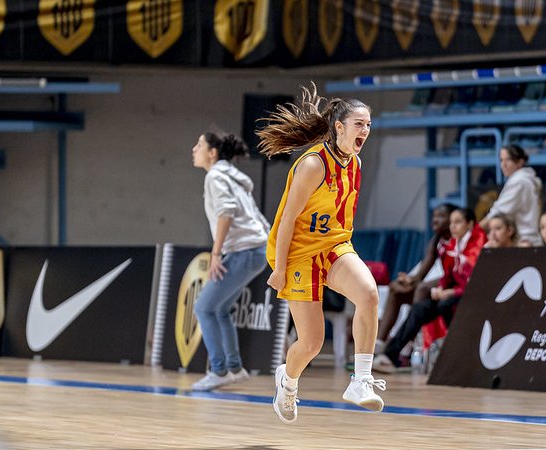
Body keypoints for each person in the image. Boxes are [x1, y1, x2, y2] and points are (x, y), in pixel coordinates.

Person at [257, 84, 385, 423]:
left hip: (333, 246)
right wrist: (280, 268)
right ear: (339, 127)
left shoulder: (355, 163)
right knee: (312, 343)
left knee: (369, 295)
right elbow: (287, 219)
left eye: (369, 125)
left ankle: (360, 380)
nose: (365, 131)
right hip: (298, 252)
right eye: (359, 124)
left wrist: (342, 249)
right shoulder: (313, 165)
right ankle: (288, 381)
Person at [189, 129, 270, 391]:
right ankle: (234, 368)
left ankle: (220, 369)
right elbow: (255, 216)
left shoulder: (215, 176)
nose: (194, 149)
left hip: (244, 251)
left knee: (203, 308)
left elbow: (226, 213)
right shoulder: (234, 178)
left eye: (199, 145)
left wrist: (215, 254)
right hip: (258, 250)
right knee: (220, 309)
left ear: (212, 153)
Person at [372, 208, 486, 373]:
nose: (453, 226)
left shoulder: (478, 243)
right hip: (453, 294)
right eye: (452, 222)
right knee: (420, 309)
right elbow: (448, 275)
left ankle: (449, 351)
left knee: (442, 302)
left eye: (458, 222)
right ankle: (389, 356)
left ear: (469, 224)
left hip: (471, 296)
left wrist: (450, 292)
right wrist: (441, 287)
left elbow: (475, 282)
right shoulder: (449, 244)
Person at [376, 203, 456, 352]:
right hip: (435, 288)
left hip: (453, 285)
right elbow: (421, 275)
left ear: (453, 219)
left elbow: (455, 275)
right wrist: (409, 280)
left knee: (422, 288)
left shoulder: (458, 239)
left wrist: (418, 283)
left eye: (441, 216)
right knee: (396, 290)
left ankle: (408, 347)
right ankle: (379, 344)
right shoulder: (437, 240)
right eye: (434, 216)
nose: (435, 220)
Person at [479, 144, 543, 246]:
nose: (503, 164)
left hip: (525, 242)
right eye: (501, 160)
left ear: (520, 162)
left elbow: (496, 212)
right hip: (530, 240)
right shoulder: (526, 178)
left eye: (508, 160)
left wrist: (471, 235)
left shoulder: (519, 181)